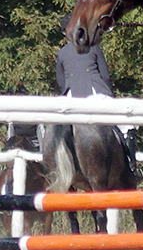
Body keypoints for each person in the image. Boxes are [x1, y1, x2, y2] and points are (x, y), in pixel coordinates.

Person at [55, 15, 137, 157]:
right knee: (126, 124)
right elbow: (105, 76)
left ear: (64, 32)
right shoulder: (94, 48)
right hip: (96, 92)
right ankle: (131, 162)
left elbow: (61, 82)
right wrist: (110, 93)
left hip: (71, 96)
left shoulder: (61, 53)